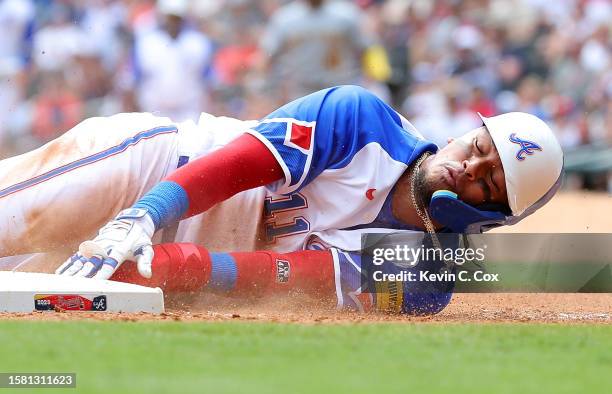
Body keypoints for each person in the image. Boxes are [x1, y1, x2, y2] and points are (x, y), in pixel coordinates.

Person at [0, 85, 563, 315]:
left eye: (485, 181)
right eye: (478, 146)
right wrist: (143, 214)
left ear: (491, 216)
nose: (467, 164)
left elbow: (287, 276)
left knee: (25, 298)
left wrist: (172, 267)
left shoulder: (427, 277)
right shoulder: (363, 118)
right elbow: (236, 167)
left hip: (195, 264)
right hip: (155, 170)